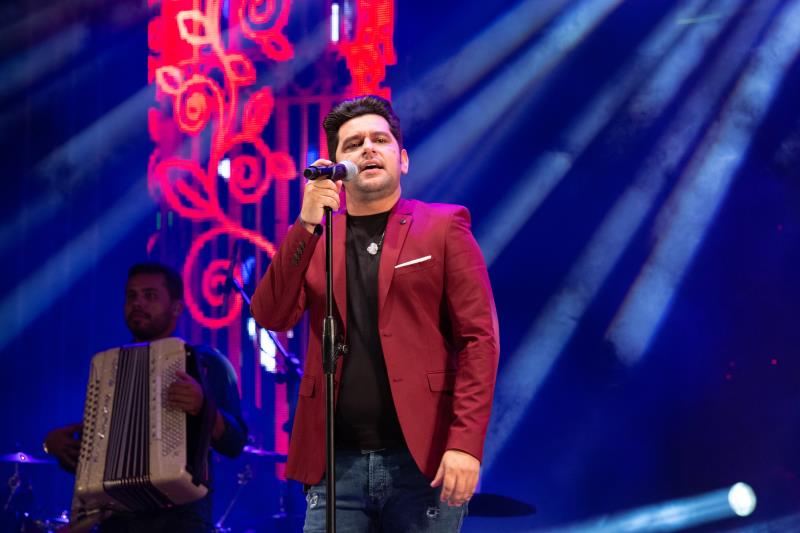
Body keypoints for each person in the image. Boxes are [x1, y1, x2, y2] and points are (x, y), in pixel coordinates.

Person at [251, 95, 500, 532]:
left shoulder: (443, 227)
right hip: (335, 463)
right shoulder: (317, 239)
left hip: (422, 461)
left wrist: (465, 444)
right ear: (337, 169)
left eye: (379, 140)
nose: (367, 148)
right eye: (353, 144)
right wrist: (305, 224)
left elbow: (479, 340)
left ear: (402, 159)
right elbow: (271, 314)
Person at [43, 262, 248, 532]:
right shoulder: (109, 367)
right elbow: (103, 452)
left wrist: (203, 406)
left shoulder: (207, 363)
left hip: (181, 522)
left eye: (150, 295)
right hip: (117, 521)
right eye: (131, 296)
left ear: (176, 308)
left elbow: (235, 441)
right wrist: (56, 445)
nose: (137, 303)